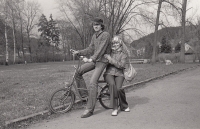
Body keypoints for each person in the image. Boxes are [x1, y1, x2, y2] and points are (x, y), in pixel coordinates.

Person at [71, 17, 111, 118]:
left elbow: (101, 50)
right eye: (94, 25)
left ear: (101, 25)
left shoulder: (106, 35)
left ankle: (89, 109)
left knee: (93, 82)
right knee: (78, 72)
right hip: (95, 60)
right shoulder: (94, 36)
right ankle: (86, 97)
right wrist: (78, 52)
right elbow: (90, 48)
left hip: (103, 61)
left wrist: (91, 59)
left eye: (97, 24)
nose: (95, 26)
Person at [104, 35, 130, 116]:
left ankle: (124, 106)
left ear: (120, 44)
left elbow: (121, 65)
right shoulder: (109, 52)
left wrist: (111, 60)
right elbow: (105, 61)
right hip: (109, 73)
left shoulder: (124, 54)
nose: (115, 45)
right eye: (113, 43)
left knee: (119, 89)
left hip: (119, 74)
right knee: (112, 85)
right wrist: (106, 58)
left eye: (116, 43)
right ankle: (115, 108)